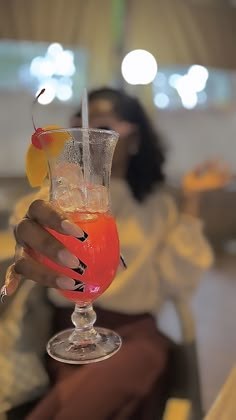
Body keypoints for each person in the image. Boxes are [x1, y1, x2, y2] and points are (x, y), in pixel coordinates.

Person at [0, 87, 229, 420]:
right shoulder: (61, 201)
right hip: (64, 336)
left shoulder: (156, 207)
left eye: (104, 128)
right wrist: (29, 234)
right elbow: (26, 220)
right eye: (78, 127)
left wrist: (192, 200)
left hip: (136, 336)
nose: (88, 135)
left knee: (129, 367)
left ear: (134, 140)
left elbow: (178, 282)